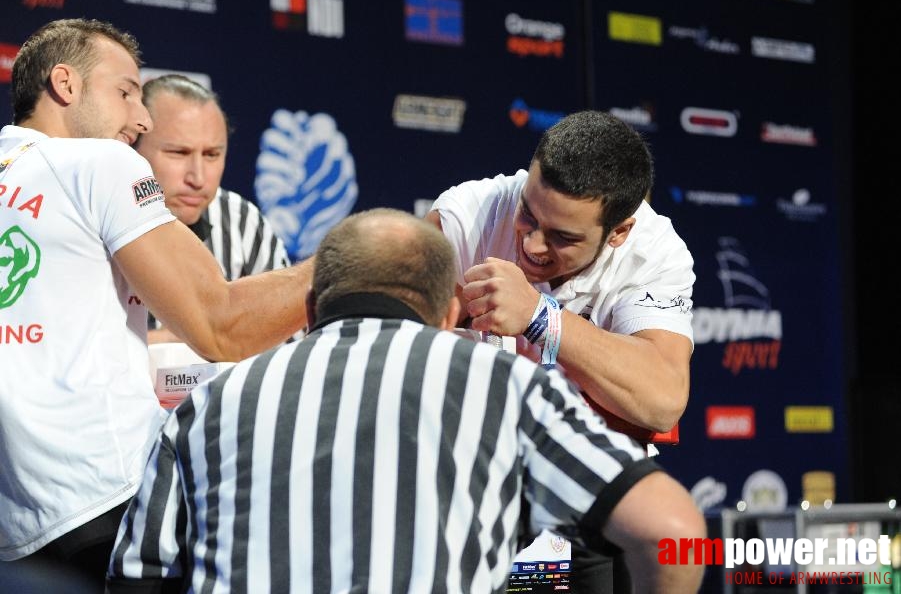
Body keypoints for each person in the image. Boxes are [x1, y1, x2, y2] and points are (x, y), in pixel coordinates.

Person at [105, 208, 706, 594]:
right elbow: (673, 531)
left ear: (311, 309)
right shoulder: (506, 388)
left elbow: (137, 577)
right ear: (450, 313)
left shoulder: (208, 406)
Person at [0, 18, 312, 588]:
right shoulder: (101, 163)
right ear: (65, 85)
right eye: (124, 92)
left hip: (14, 529)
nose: (140, 119)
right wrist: (350, 261)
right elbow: (225, 327)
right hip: (113, 508)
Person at [425, 110, 696, 591]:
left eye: (562, 237)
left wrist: (541, 317)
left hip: (574, 491)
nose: (531, 244)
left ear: (618, 232)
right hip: (465, 483)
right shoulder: (469, 214)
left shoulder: (653, 252)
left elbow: (663, 397)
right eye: (528, 213)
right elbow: (391, 346)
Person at [135, 74, 291, 344]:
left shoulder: (242, 221)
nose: (197, 178)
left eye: (211, 155)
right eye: (178, 153)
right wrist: (193, 341)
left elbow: (287, 343)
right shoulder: (92, 218)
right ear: (131, 148)